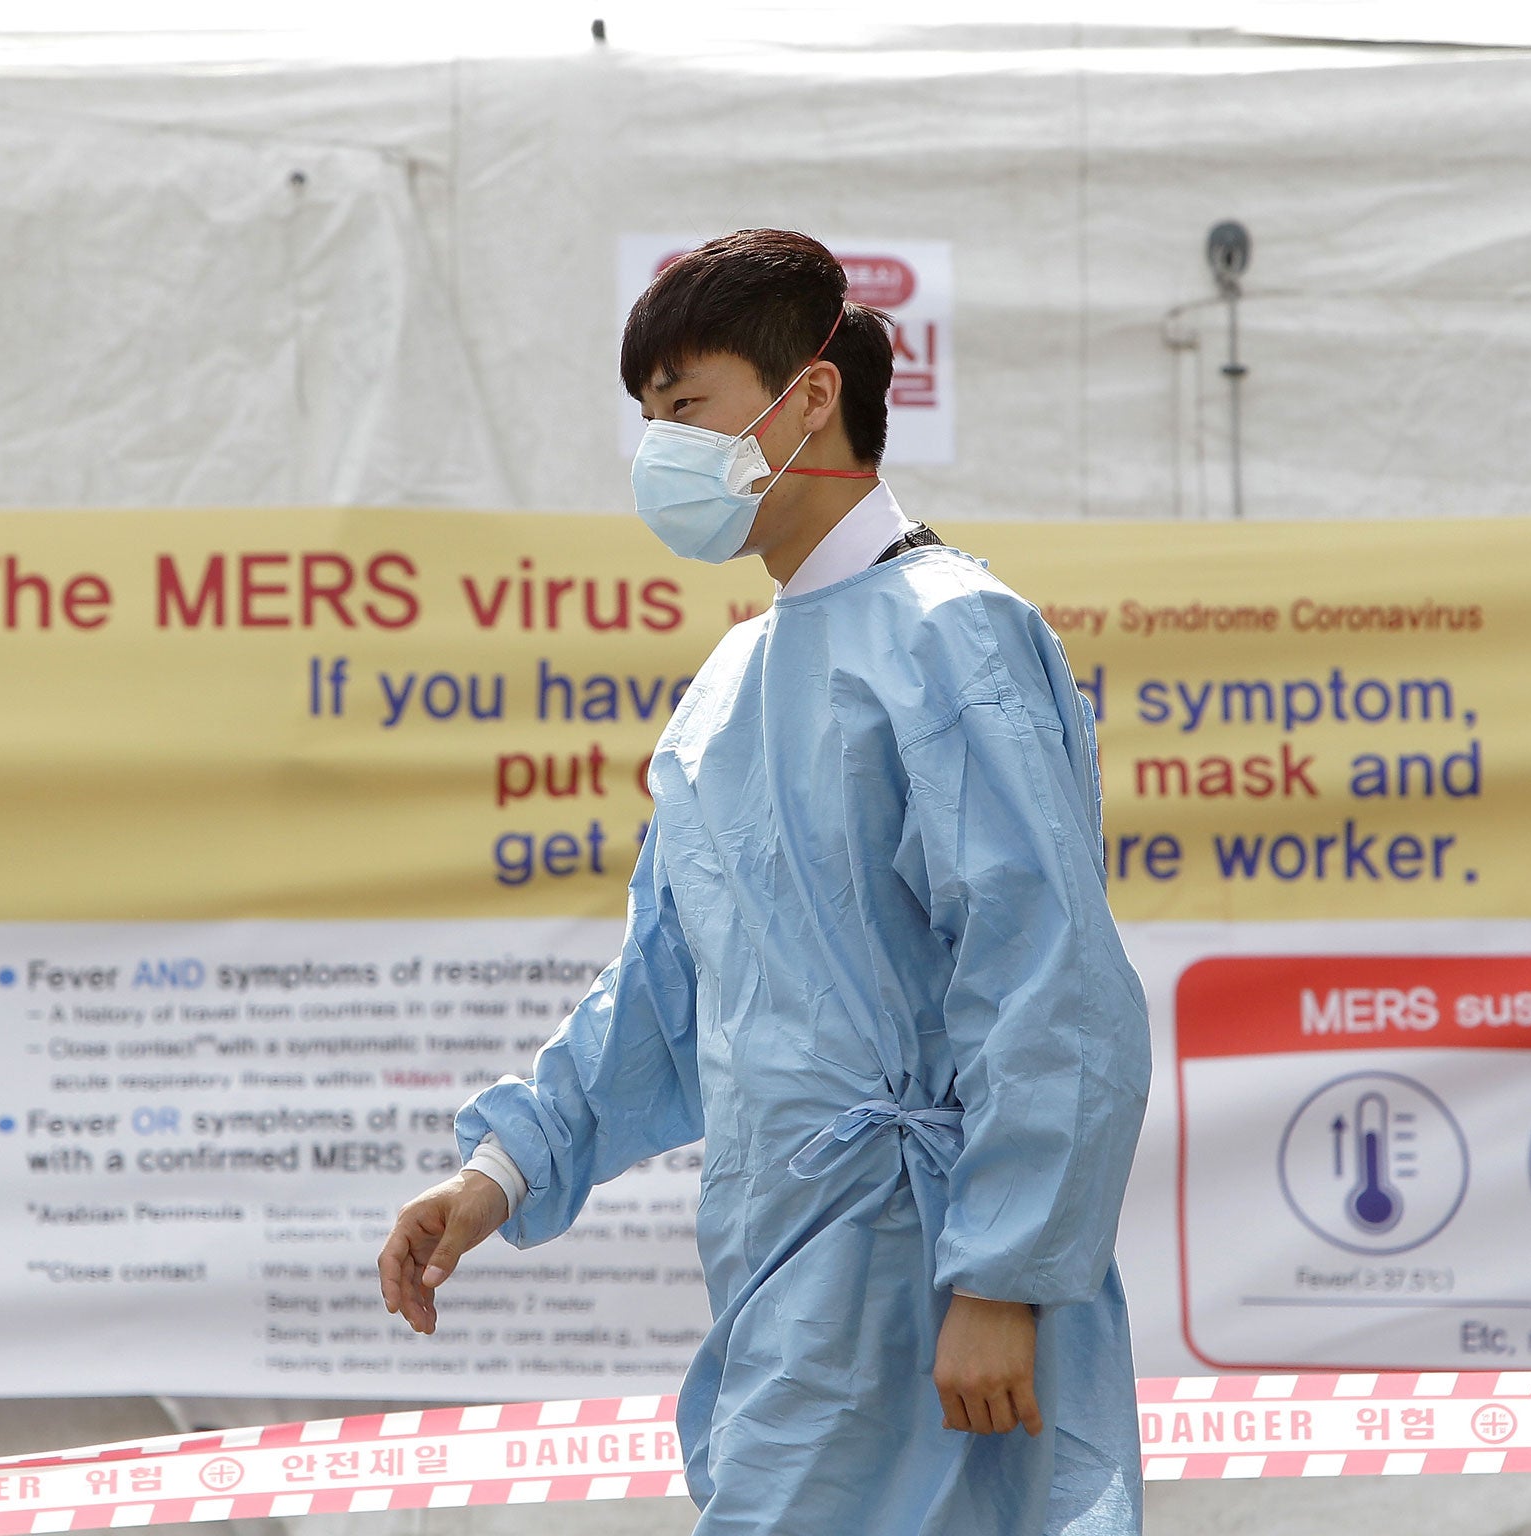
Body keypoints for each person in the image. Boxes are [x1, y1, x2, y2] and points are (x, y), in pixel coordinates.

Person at [378, 228, 1151, 1534]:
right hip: (788, 1280)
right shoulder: (730, 690)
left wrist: (1005, 1279)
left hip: (941, 1277)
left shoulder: (954, 634)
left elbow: (1048, 975)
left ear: (809, 399)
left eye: (686, 406)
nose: (659, 448)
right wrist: (501, 1171)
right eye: (645, 417)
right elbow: (671, 989)